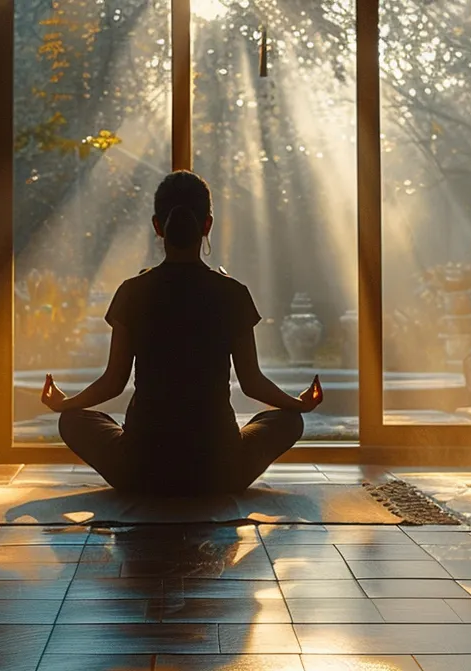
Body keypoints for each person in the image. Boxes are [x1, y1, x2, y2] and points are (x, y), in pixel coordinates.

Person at [40, 170, 323, 496]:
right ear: (208, 224)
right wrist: (297, 405)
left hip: (141, 469)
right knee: (288, 422)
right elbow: (252, 381)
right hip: (219, 469)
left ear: (157, 226)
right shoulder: (232, 293)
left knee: (73, 421)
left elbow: (114, 381)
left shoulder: (133, 291)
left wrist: (66, 404)